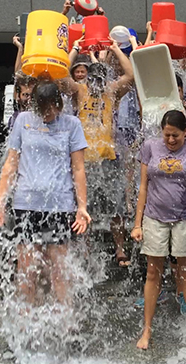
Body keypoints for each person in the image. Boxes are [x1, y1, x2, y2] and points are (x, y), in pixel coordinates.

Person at [0, 80, 91, 307]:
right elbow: (11, 164)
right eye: (42, 109)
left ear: (59, 104)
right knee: (27, 270)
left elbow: (79, 168)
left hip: (60, 204)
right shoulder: (23, 121)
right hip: (27, 203)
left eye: (51, 108)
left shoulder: (71, 124)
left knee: (60, 270)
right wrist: (0, 201)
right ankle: (24, 325)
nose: (47, 114)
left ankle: (66, 326)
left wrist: (81, 207)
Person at [131, 110, 186, 350]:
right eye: (167, 136)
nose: (171, 140)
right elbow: (143, 187)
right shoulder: (150, 147)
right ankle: (147, 329)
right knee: (153, 272)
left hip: (185, 217)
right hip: (154, 217)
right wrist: (137, 223)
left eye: (175, 135)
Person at [75, 40, 134, 267]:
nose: (97, 85)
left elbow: (130, 76)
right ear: (88, 79)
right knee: (84, 208)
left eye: (101, 80)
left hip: (109, 158)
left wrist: (116, 48)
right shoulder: (80, 91)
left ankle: (119, 248)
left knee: (117, 208)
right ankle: (86, 251)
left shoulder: (111, 93)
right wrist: (74, 50)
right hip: (85, 162)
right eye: (93, 80)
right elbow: (61, 80)